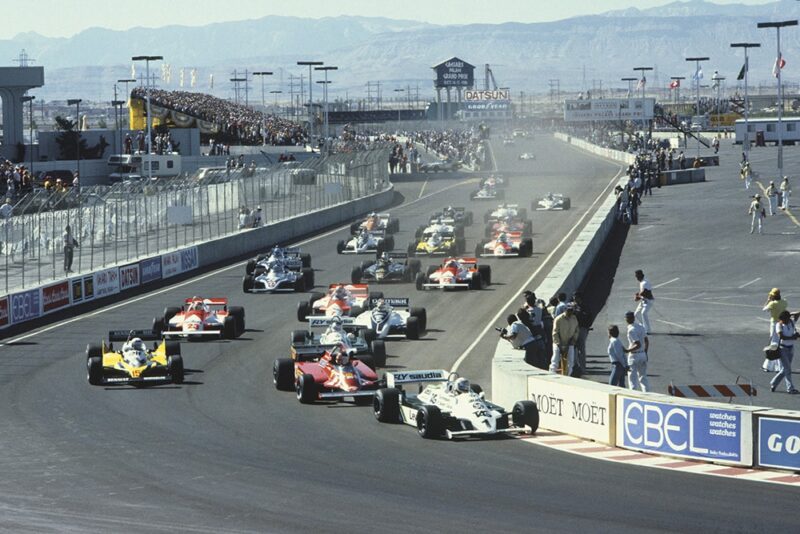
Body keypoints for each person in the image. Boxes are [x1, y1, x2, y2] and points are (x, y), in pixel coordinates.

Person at [771, 310, 799, 394]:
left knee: (785, 369)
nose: (782, 321)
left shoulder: (791, 322)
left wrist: (790, 314)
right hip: (783, 349)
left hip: (791, 348)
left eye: (784, 319)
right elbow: (782, 337)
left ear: (788, 318)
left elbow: (798, 314)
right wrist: (793, 337)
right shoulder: (778, 325)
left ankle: (773, 383)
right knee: (788, 369)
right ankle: (790, 388)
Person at [623, 311, 650, 392]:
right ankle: (647, 394)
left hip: (634, 356)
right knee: (643, 377)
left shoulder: (631, 330)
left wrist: (627, 350)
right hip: (642, 354)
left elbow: (637, 344)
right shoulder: (641, 327)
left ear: (626, 319)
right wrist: (645, 352)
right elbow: (646, 341)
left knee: (632, 379)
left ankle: (633, 394)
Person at [549, 304, 579, 375]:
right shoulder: (558, 319)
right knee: (555, 359)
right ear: (565, 310)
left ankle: (568, 375)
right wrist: (559, 345)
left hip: (570, 343)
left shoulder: (574, 318)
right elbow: (555, 333)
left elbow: (577, 330)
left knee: (570, 361)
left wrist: (574, 340)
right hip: (558, 343)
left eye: (571, 311)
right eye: (569, 310)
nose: (570, 312)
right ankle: (552, 373)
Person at [763, 288, 788, 372]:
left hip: (774, 324)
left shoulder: (773, 304)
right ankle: (776, 366)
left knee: (773, 345)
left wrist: (768, 300)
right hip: (782, 324)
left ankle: (771, 366)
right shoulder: (784, 302)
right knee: (777, 344)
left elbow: (764, 309)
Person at [634, 269, 654, 334]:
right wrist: (638, 295)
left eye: (637, 276)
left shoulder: (645, 282)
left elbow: (644, 293)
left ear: (640, 275)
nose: (636, 277)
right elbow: (641, 293)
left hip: (649, 301)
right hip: (643, 301)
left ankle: (648, 330)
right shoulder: (641, 282)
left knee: (643, 313)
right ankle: (644, 327)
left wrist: (637, 296)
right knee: (636, 314)